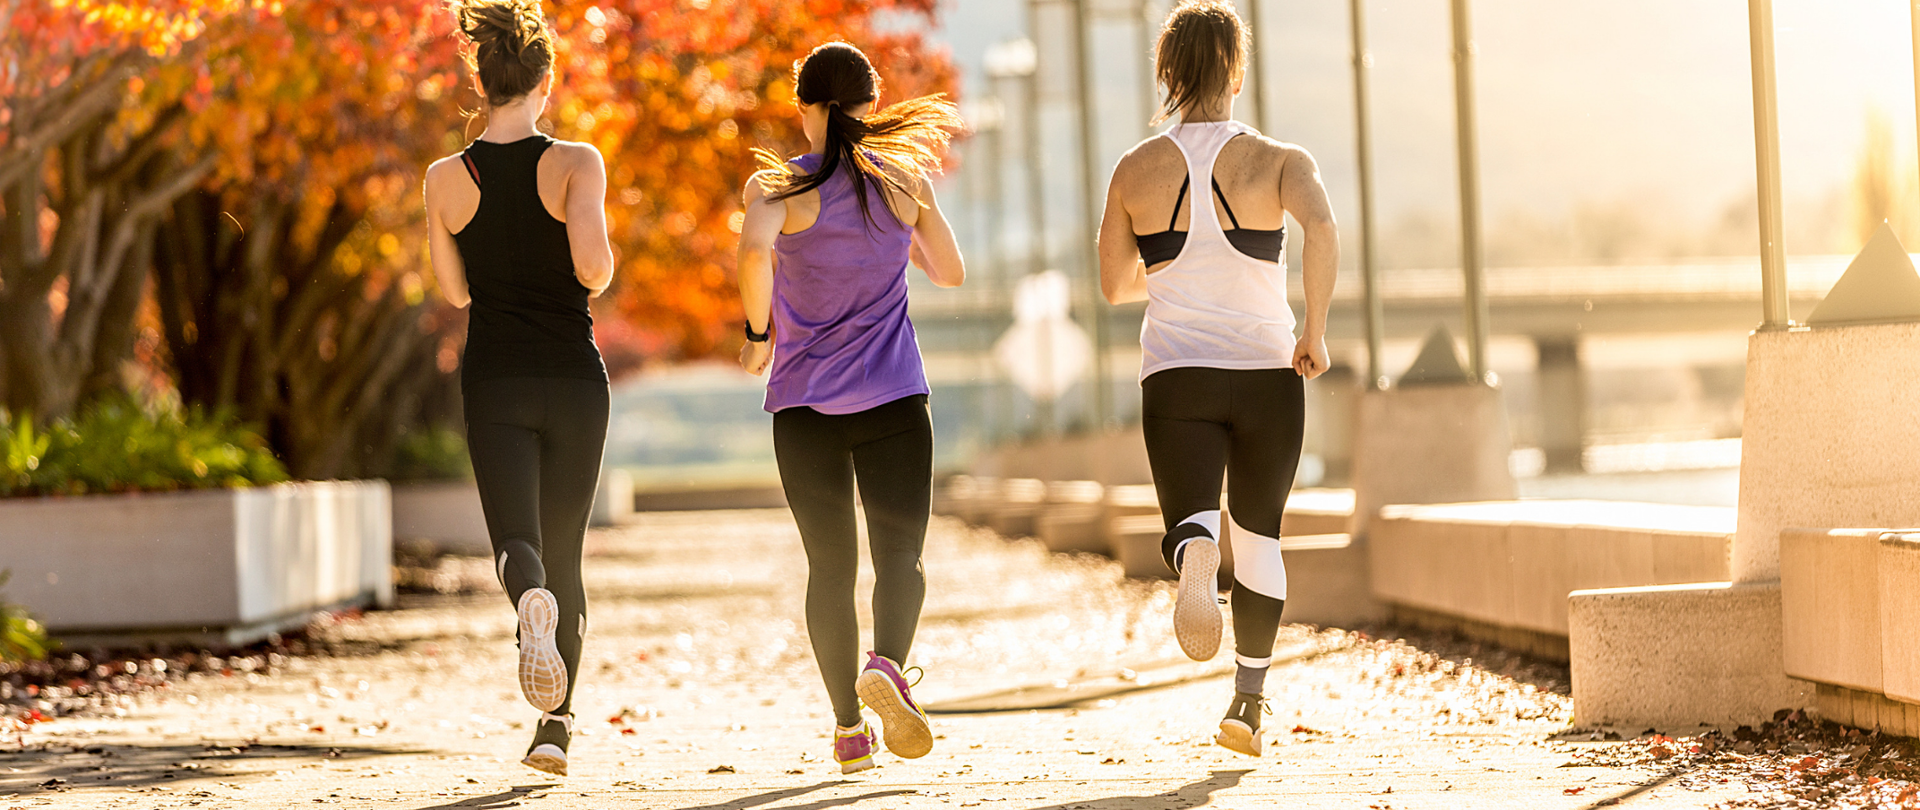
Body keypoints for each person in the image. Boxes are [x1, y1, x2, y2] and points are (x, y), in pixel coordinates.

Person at [1096, 0, 1338, 758]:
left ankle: (1194, 550)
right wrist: (1314, 331)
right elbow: (1323, 229)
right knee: (1261, 534)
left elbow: (1112, 284)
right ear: (1237, 68)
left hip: (1178, 374)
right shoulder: (1280, 159)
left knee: (1193, 519)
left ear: (1167, 71)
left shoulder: (1135, 169)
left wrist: (1173, 275)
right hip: (1268, 369)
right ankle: (1248, 704)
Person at [734, 41, 965, 775]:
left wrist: (758, 333)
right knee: (902, 555)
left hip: (804, 409)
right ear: (869, 106)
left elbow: (750, 252)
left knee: (828, 569)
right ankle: (889, 668)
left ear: (805, 108)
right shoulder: (902, 180)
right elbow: (952, 272)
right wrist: (901, 240)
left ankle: (848, 730)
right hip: (895, 396)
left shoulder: (775, 188)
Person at [422, 0, 614, 777]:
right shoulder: (576, 163)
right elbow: (593, 270)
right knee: (568, 553)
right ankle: (553, 732)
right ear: (545, 82)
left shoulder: (445, 178)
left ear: (482, 80)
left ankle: (525, 597)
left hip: (495, 378)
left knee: (518, 543)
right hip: (573, 376)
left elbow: (455, 292)